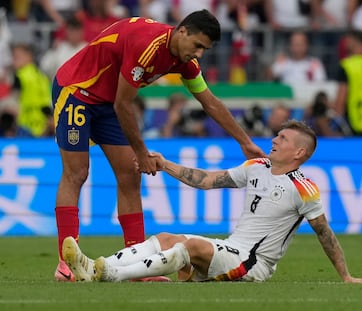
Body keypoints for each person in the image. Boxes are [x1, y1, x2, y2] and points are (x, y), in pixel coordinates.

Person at [52, 9, 265, 282]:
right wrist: (142, 153)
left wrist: (245, 142)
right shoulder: (148, 48)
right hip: (77, 90)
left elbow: (209, 101)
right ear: (182, 31)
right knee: (77, 173)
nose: (199, 53)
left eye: (205, 49)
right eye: (198, 45)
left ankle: (137, 267)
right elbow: (124, 104)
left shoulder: (185, 61)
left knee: (130, 175)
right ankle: (65, 264)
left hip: (108, 102)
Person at [61, 120, 362, 284]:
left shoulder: (304, 188)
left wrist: (345, 276)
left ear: (299, 154)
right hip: (232, 249)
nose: (275, 139)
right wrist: (166, 164)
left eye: (283, 139)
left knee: (190, 248)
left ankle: (109, 275)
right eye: (277, 135)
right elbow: (209, 180)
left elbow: (325, 234)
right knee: (167, 237)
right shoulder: (257, 167)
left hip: (252, 264)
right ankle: (91, 268)